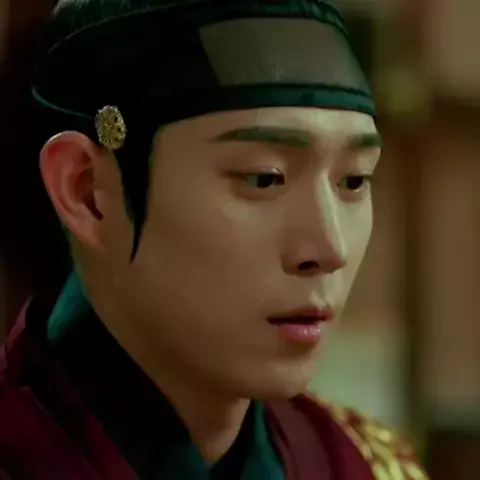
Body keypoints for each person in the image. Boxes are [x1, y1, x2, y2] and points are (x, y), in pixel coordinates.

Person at [0, 0, 428, 478]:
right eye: (264, 178)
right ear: (89, 192)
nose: (330, 249)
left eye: (354, 181)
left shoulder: (361, 463)